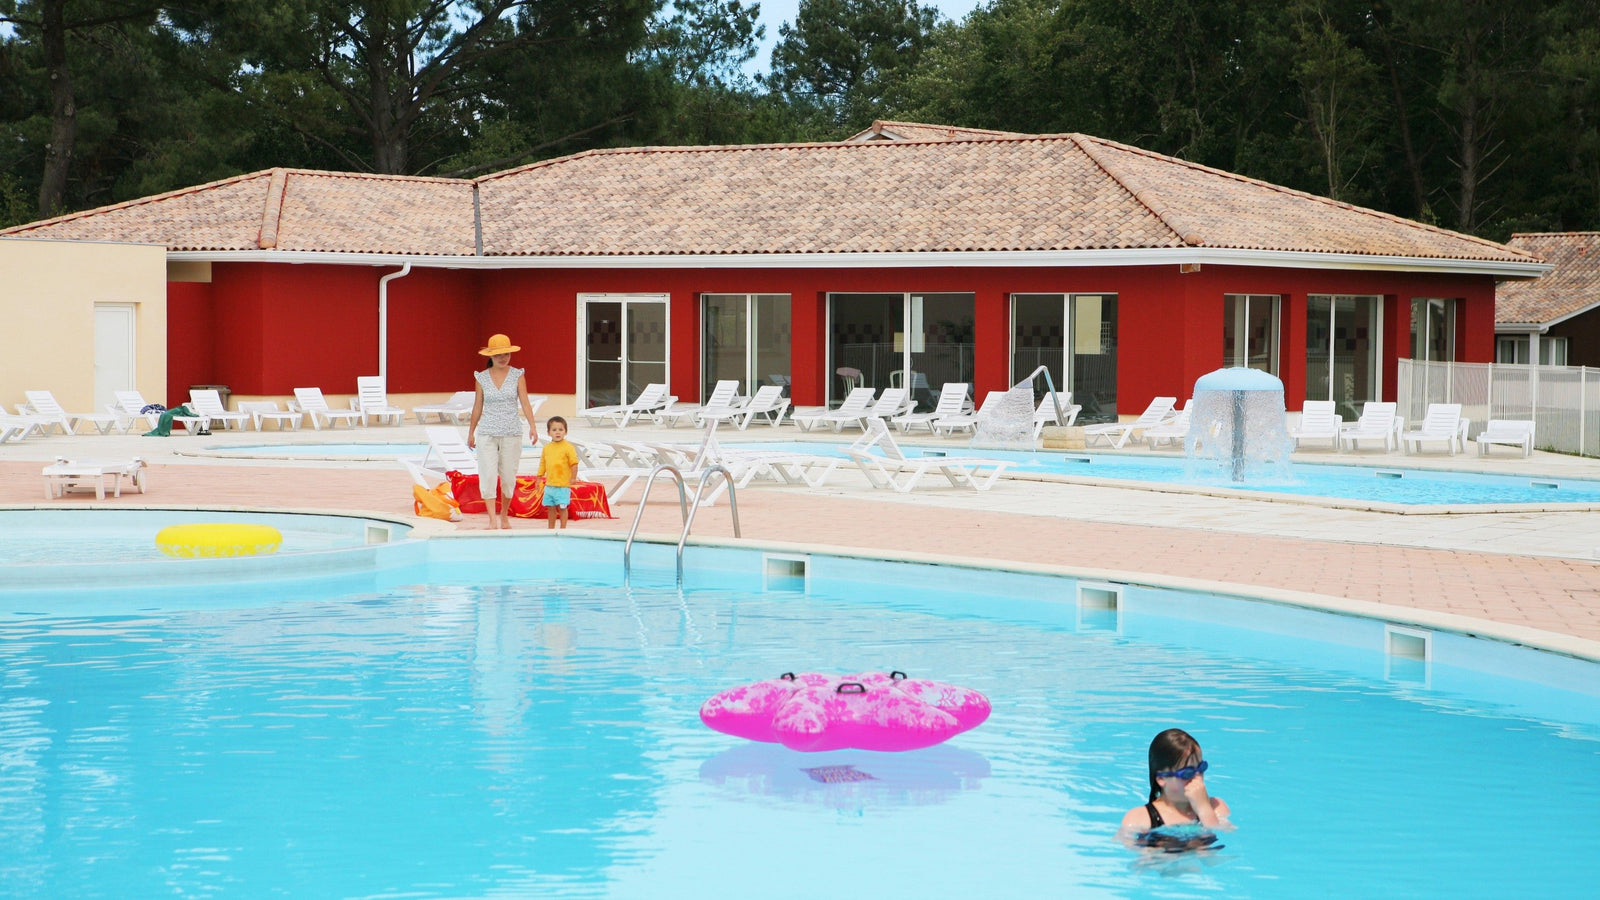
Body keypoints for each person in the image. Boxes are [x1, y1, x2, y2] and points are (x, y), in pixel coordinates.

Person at [467, 333, 538, 530]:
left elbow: (524, 402)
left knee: (508, 476)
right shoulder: (481, 378)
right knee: (488, 475)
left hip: (511, 432)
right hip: (487, 433)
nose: (503, 357)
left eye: (506, 353)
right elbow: (477, 406)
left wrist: (533, 426)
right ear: (490, 356)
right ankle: (492, 520)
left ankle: (504, 516)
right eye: (498, 354)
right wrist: (471, 432)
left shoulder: (517, 375)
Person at [1120, 728, 1230, 845]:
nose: (1198, 778)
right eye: (1187, 773)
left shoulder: (1216, 807)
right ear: (1161, 779)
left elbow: (1223, 840)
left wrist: (1203, 808)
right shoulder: (1140, 818)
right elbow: (1128, 850)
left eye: (1201, 768)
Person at [538, 416, 579, 530]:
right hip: (550, 485)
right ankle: (550, 529)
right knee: (550, 508)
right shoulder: (547, 448)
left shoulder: (568, 447)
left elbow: (574, 464)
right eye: (554, 430)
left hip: (562, 485)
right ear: (549, 432)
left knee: (562, 508)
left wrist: (573, 478)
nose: (557, 432)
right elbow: (543, 463)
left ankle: (563, 529)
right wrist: (539, 476)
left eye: (561, 430)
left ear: (565, 432)